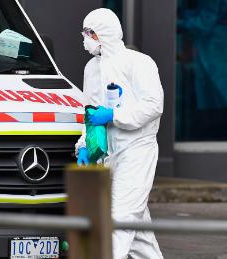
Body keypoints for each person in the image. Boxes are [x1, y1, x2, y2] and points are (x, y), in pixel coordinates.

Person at [75, 8, 164, 259]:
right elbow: (90, 114)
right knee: (138, 232)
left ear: (103, 33)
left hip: (137, 150)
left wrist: (115, 116)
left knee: (119, 219)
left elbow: (154, 105)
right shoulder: (92, 69)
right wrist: (84, 145)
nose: (85, 39)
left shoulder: (139, 63)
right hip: (108, 153)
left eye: (88, 33)